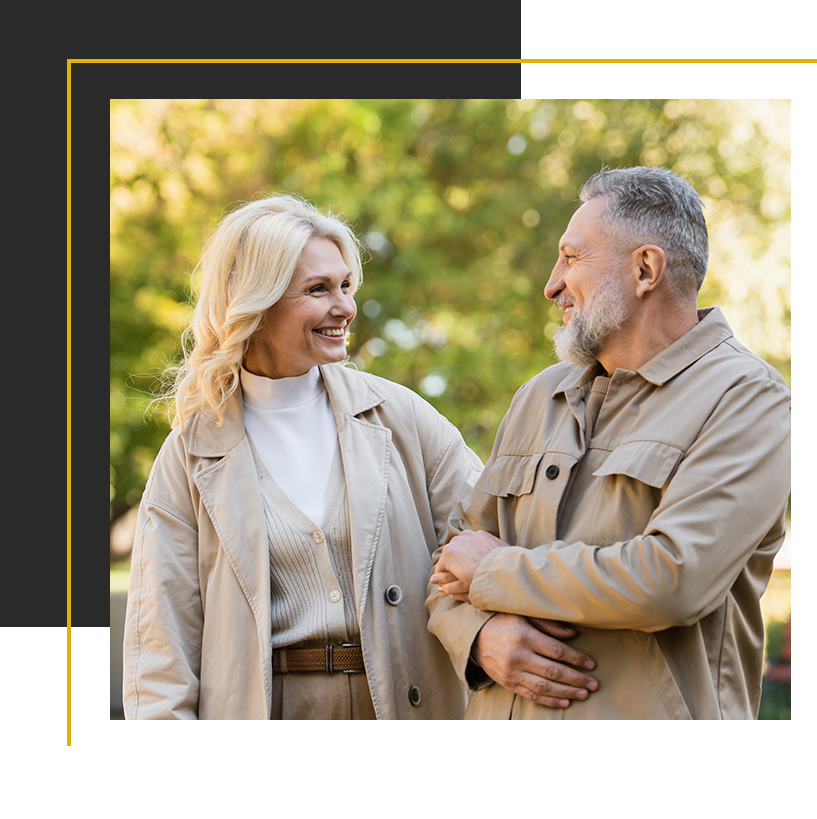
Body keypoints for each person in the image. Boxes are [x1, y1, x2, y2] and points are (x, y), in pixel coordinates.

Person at [122, 193, 596, 720]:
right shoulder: (189, 455)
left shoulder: (402, 417)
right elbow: (159, 652)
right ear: (257, 302)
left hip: (405, 708)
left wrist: (484, 632)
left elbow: (488, 540)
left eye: (346, 285)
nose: (345, 306)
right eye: (318, 289)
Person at [428, 166, 791, 719]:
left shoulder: (749, 399)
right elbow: (451, 561)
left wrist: (494, 575)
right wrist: (479, 636)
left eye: (572, 259)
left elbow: (674, 578)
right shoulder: (537, 396)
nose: (551, 285)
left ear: (646, 269)